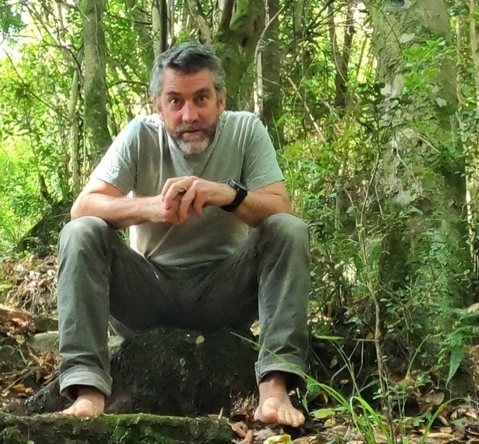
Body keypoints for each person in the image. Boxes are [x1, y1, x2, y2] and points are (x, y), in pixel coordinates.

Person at [55, 41, 312, 428]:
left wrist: (227, 195)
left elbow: (282, 208)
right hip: (149, 291)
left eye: (201, 98)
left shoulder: (245, 130)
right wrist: (150, 208)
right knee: (81, 232)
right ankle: (88, 389)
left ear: (221, 100)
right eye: (175, 101)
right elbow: (83, 207)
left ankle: (274, 387)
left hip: (225, 291)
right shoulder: (139, 135)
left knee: (288, 229)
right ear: (158, 106)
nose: (189, 115)